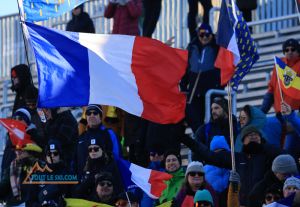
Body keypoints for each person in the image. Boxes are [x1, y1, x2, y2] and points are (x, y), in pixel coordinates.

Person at [181, 125, 282, 206]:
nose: (253, 136)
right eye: (249, 135)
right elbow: (209, 155)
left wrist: (264, 147)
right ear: (243, 141)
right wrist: (187, 140)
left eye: (256, 135)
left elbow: (286, 157)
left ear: (261, 139)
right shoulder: (236, 158)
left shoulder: (269, 156)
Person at [181, 23, 222, 132]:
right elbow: (185, 68)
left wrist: (220, 85)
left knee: (213, 117)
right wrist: (183, 87)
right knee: (194, 118)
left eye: (207, 35)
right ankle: (200, 141)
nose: (204, 37)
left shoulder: (216, 47)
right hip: (195, 91)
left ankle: (210, 140)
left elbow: (222, 67)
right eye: (202, 35)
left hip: (211, 89)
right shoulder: (191, 47)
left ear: (211, 35)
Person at [76, 104, 120, 177]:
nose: (92, 115)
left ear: (100, 116)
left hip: (104, 180)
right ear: (86, 117)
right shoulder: (82, 136)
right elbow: (76, 160)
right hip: (84, 180)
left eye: (95, 113)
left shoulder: (109, 133)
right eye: (89, 113)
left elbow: (116, 157)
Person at [261, 39, 300, 114]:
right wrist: (263, 111)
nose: (289, 52)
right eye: (286, 50)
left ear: (298, 51)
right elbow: (271, 88)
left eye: (293, 49)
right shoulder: (279, 64)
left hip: (296, 113)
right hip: (280, 113)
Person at [30, 139, 70, 207]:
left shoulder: (67, 174)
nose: (52, 156)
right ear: (46, 156)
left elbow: (72, 195)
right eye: (49, 153)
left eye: (55, 153)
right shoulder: (38, 174)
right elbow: (30, 202)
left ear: (60, 155)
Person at [204, 136, 230, 207]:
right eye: (216, 152)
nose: (219, 155)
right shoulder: (205, 170)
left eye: (222, 151)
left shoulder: (233, 166)